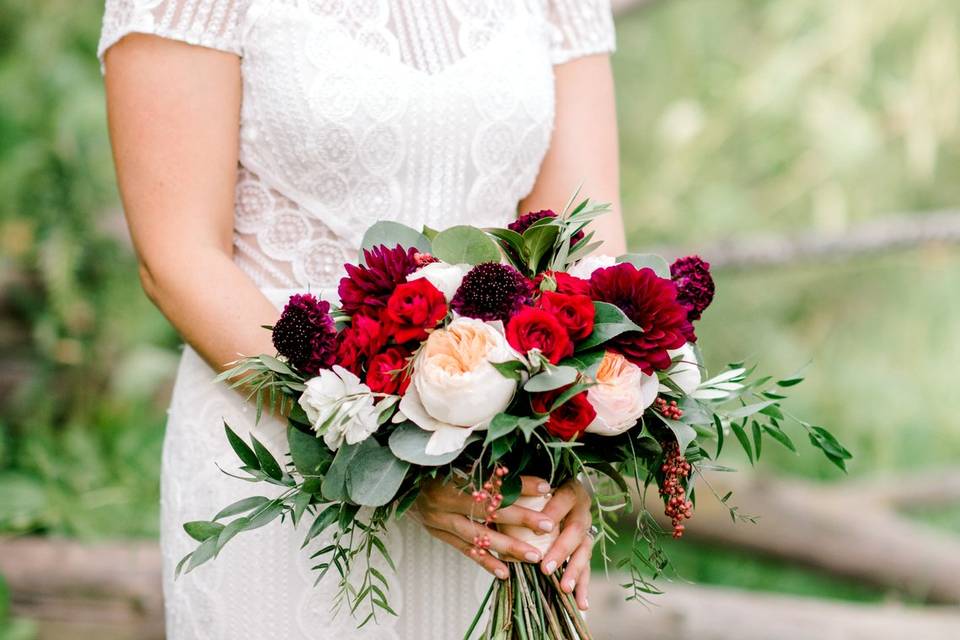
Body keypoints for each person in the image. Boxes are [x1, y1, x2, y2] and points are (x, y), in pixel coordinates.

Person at [98, 1, 627, 637]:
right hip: (281, 448)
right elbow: (178, 258)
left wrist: (568, 442)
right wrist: (395, 457)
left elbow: (582, 247)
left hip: (499, 477)